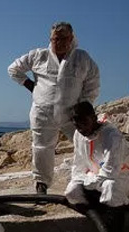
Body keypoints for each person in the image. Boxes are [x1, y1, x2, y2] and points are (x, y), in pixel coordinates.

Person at [8, 21, 100, 195]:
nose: (58, 43)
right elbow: (13, 69)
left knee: (85, 144)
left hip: (72, 113)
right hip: (43, 113)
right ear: (50, 39)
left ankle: (92, 179)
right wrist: (30, 85)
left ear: (71, 38)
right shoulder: (38, 55)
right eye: (55, 39)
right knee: (41, 148)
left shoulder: (82, 58)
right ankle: (41, 184)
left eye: (63, 39)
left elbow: (93, 82)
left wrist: (85, 103)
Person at [64, 101, 129, 232]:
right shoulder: (79, 135)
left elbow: (110, 172)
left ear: (93, 117)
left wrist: (87, 182)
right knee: (72, 192)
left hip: (122, 178)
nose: (81, 129)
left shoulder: (111, 136)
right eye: (77, 125)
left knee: (110, 187)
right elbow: (78, 167)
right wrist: (84, 181)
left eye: (84, 123)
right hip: (94, 178)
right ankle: (109, 208)